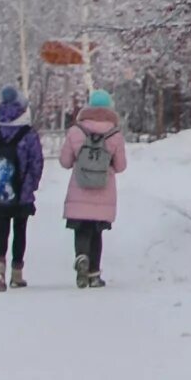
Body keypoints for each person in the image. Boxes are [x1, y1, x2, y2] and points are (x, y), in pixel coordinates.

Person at [59, 89, 127, 290]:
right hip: (103, 189)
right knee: (97, 233)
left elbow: (65, 161)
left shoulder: (75, 131)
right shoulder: (115, 134)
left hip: (79, 187)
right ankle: (95, 275)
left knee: (81, 230)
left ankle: (81, 257)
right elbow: (121, 166)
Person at [0, 86, 44, 292]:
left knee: (1, 232)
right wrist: (31, 185)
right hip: (21, 193)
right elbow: (36, 163)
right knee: (19, 231)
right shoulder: (29, 134)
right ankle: (17, 274)